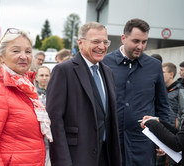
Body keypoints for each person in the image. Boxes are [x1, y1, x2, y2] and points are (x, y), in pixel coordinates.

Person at [0, 28, 53, 165]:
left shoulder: (26, 87)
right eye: (16, 51)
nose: (24, 56)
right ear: (1, 56)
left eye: (28, 51)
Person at [46, 22, 121, 166]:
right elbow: (54, 121)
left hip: (106, 157)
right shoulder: (63, 71)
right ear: (80, 43)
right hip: (77, 157)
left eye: (105, 42)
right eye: (96, 41)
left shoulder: (108, 72)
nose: (102, 46)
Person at [102, 18, 169, 166]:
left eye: (144, 42)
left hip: (143, 144)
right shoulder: (104, 63)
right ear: (123, 38)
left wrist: (164, 139)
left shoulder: (154, 66)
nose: (140, 46)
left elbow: (163, 105)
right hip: (111, 142)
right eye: (136, 41)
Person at [159, 62, 184, 166]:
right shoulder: (161, 90)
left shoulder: (180, 90)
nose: (160, 74)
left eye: (162, 72)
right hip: (162, 132)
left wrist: (179, 131)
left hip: (174, 135)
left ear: (171, 74)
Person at [35, 66, 51, 166]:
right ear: (36, 77)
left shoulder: (55, 92)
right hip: (35, 133)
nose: (44, 78)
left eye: (46, 75)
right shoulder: (31, 92)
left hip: (49, 136)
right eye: (41, 75)